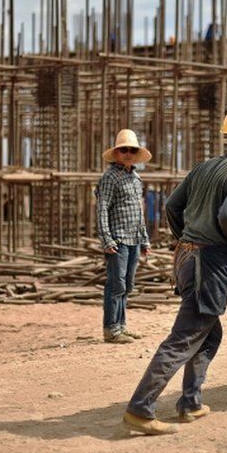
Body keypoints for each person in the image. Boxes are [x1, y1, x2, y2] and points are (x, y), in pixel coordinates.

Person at [121, 105, 227, 436]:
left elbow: (173, 206)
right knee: (185, 337)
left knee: (209, 333)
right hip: (209, 263)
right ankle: (140, 409)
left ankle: (191, 402)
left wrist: (188, 239)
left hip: (187, 259)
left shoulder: (204, 167)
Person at [96, 129, 153, 344]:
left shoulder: (136, 178)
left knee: (127, 284)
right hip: (118, 240)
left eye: (131, 150)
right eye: (123, 150)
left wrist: (144, 239)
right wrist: (106, 239)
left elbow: (139, 211)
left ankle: (121, 326)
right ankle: (111, 329)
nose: (128, 153)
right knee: (115, 284)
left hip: (134, 239)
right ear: (117, 153)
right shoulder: (109, 177)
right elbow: (102, 209)